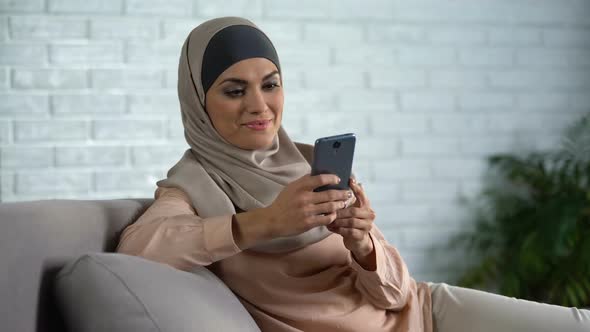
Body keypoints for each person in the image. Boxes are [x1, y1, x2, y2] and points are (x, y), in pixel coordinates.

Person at [116, 17, 590, 332]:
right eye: (234, 90)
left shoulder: (308, 162)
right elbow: (138, 248)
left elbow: (397, 292)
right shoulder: (192, 184)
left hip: (424, 313)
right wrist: (264, 223)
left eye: (271, 85)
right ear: (199, 102)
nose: (260, 107)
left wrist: (363, 246)